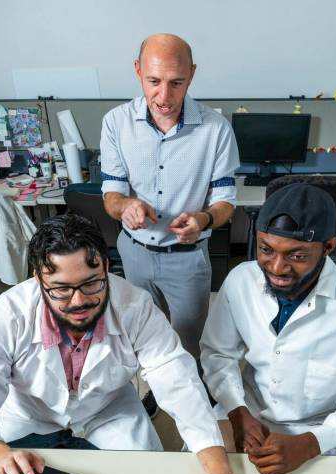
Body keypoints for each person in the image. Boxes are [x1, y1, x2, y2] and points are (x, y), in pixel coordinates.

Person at [0, 214, 250, 474]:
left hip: (109, 409)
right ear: (37, 280)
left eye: (91, 283)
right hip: (28, 413)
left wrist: (218, 468)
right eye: (61, 289)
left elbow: (178, 381)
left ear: (105, 266)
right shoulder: (6, 316)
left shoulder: (135, 306)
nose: (78, 302)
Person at [200, 184, 336, 474]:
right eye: (266, 250)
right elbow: (218, 353)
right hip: (245, 416)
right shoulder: (241, 280)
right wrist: (236, 409)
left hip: (318, 433)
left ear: (328, 247)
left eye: (297, 256)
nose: (277, 268)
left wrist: (309, 444)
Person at [100, 33, 240, 414]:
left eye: (176, 82)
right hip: (136, 252)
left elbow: (226, 201)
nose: (164, 96)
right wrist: (125, 205)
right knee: (145, 332)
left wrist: (205, 218)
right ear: (138, 72)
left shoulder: (216, 129)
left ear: (192, 76)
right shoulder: (116, 123)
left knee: (192, 337)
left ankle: (194, 398)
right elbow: (111, 195)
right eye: (154, 81)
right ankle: (157, 393)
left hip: (188, 256)